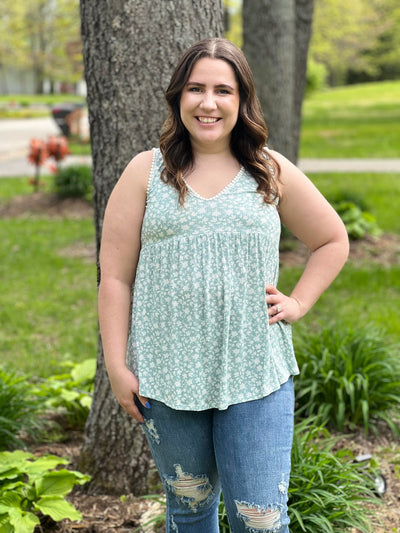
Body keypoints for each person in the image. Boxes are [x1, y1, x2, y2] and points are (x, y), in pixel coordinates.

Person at [98, 38, 349, 533]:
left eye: (222, 90)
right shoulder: (144, 173)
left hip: (256, 373)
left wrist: (298, 302)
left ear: (242, 100)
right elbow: (115, 278)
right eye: (195, 89)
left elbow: (332, 239)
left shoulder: (269, 170)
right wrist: (115, 363)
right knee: (188, 512)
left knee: (259, 519)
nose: (208, 103)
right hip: (167, 380)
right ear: (177, 97)